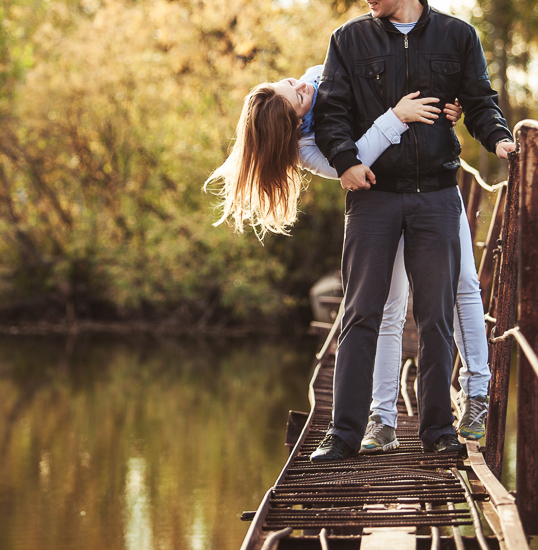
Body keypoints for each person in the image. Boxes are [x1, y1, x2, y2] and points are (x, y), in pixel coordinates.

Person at [205, 65, 492, 452]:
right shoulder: (308, 149)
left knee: (463, 286)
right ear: (294, 125)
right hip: (380, 202)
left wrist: (447, 109)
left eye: (290, 83)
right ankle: (382, 418)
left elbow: (399, 72)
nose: (304, 85)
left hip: (432, 182)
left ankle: (476, 396)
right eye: (299, 97)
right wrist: (396, 117)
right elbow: (357, 160)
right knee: (389, 306)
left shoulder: (323, 72)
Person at [310, 0, 515, 462]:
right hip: (375, 198)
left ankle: (438, 432)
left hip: (437, 196)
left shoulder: (457, 36)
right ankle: (345, 435)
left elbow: (479, 102)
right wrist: (346, 162)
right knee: (360, 313)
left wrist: (500, 139)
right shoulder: (348, 41)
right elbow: (331, 112)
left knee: (435, 315)